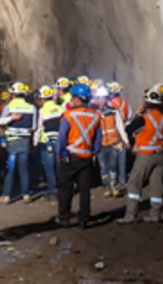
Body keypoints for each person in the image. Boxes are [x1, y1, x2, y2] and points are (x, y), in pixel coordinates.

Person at [118, 84, 163, 223]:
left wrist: (138, 115)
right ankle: (155, 214)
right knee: (157, 186)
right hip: (161, 155)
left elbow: (128, 130)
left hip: (146, 155)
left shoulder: (143, 119)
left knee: (134, 184)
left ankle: (130, 215)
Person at [56, 83, 101, 229]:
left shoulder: (68, 115)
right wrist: (94, 153)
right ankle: (84, 219)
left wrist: (59, 152)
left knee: (65, 188)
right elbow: (98, 140)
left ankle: (64, 218)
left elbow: (62, 137)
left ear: (77, 99)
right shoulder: (96, 116)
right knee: (84, 190)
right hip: (87, 157)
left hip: (70, 155)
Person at [0, 82, 37, 204]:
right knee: (24, 168)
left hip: (11, 141)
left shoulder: (9, 107)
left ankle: (6, 195)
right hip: (25, 140)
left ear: (13, 94)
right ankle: (26, 194)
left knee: (10, 169)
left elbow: (2, 122)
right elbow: (34, 126)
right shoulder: (32, 108)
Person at [94, 85, 128, 198]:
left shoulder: (113, 111)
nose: (101, 101)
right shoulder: (94, 113)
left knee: (113, 166)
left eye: (103, 98)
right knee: (103, 167)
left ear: (107, 99)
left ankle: (113, 186)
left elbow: (120, 126)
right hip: (101, 144)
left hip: (114, 142)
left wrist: (125, 140)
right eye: (99, 98)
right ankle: (107, 187)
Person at [35, 85, 63, 199]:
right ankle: (63, 189)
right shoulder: (61, 109)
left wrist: (35, 142)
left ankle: (53, 190)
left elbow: (39, 128)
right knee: (60, 167)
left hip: (47, 143)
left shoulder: (41, 111)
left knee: (49, 168)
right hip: (60, 142)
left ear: (43, 99)